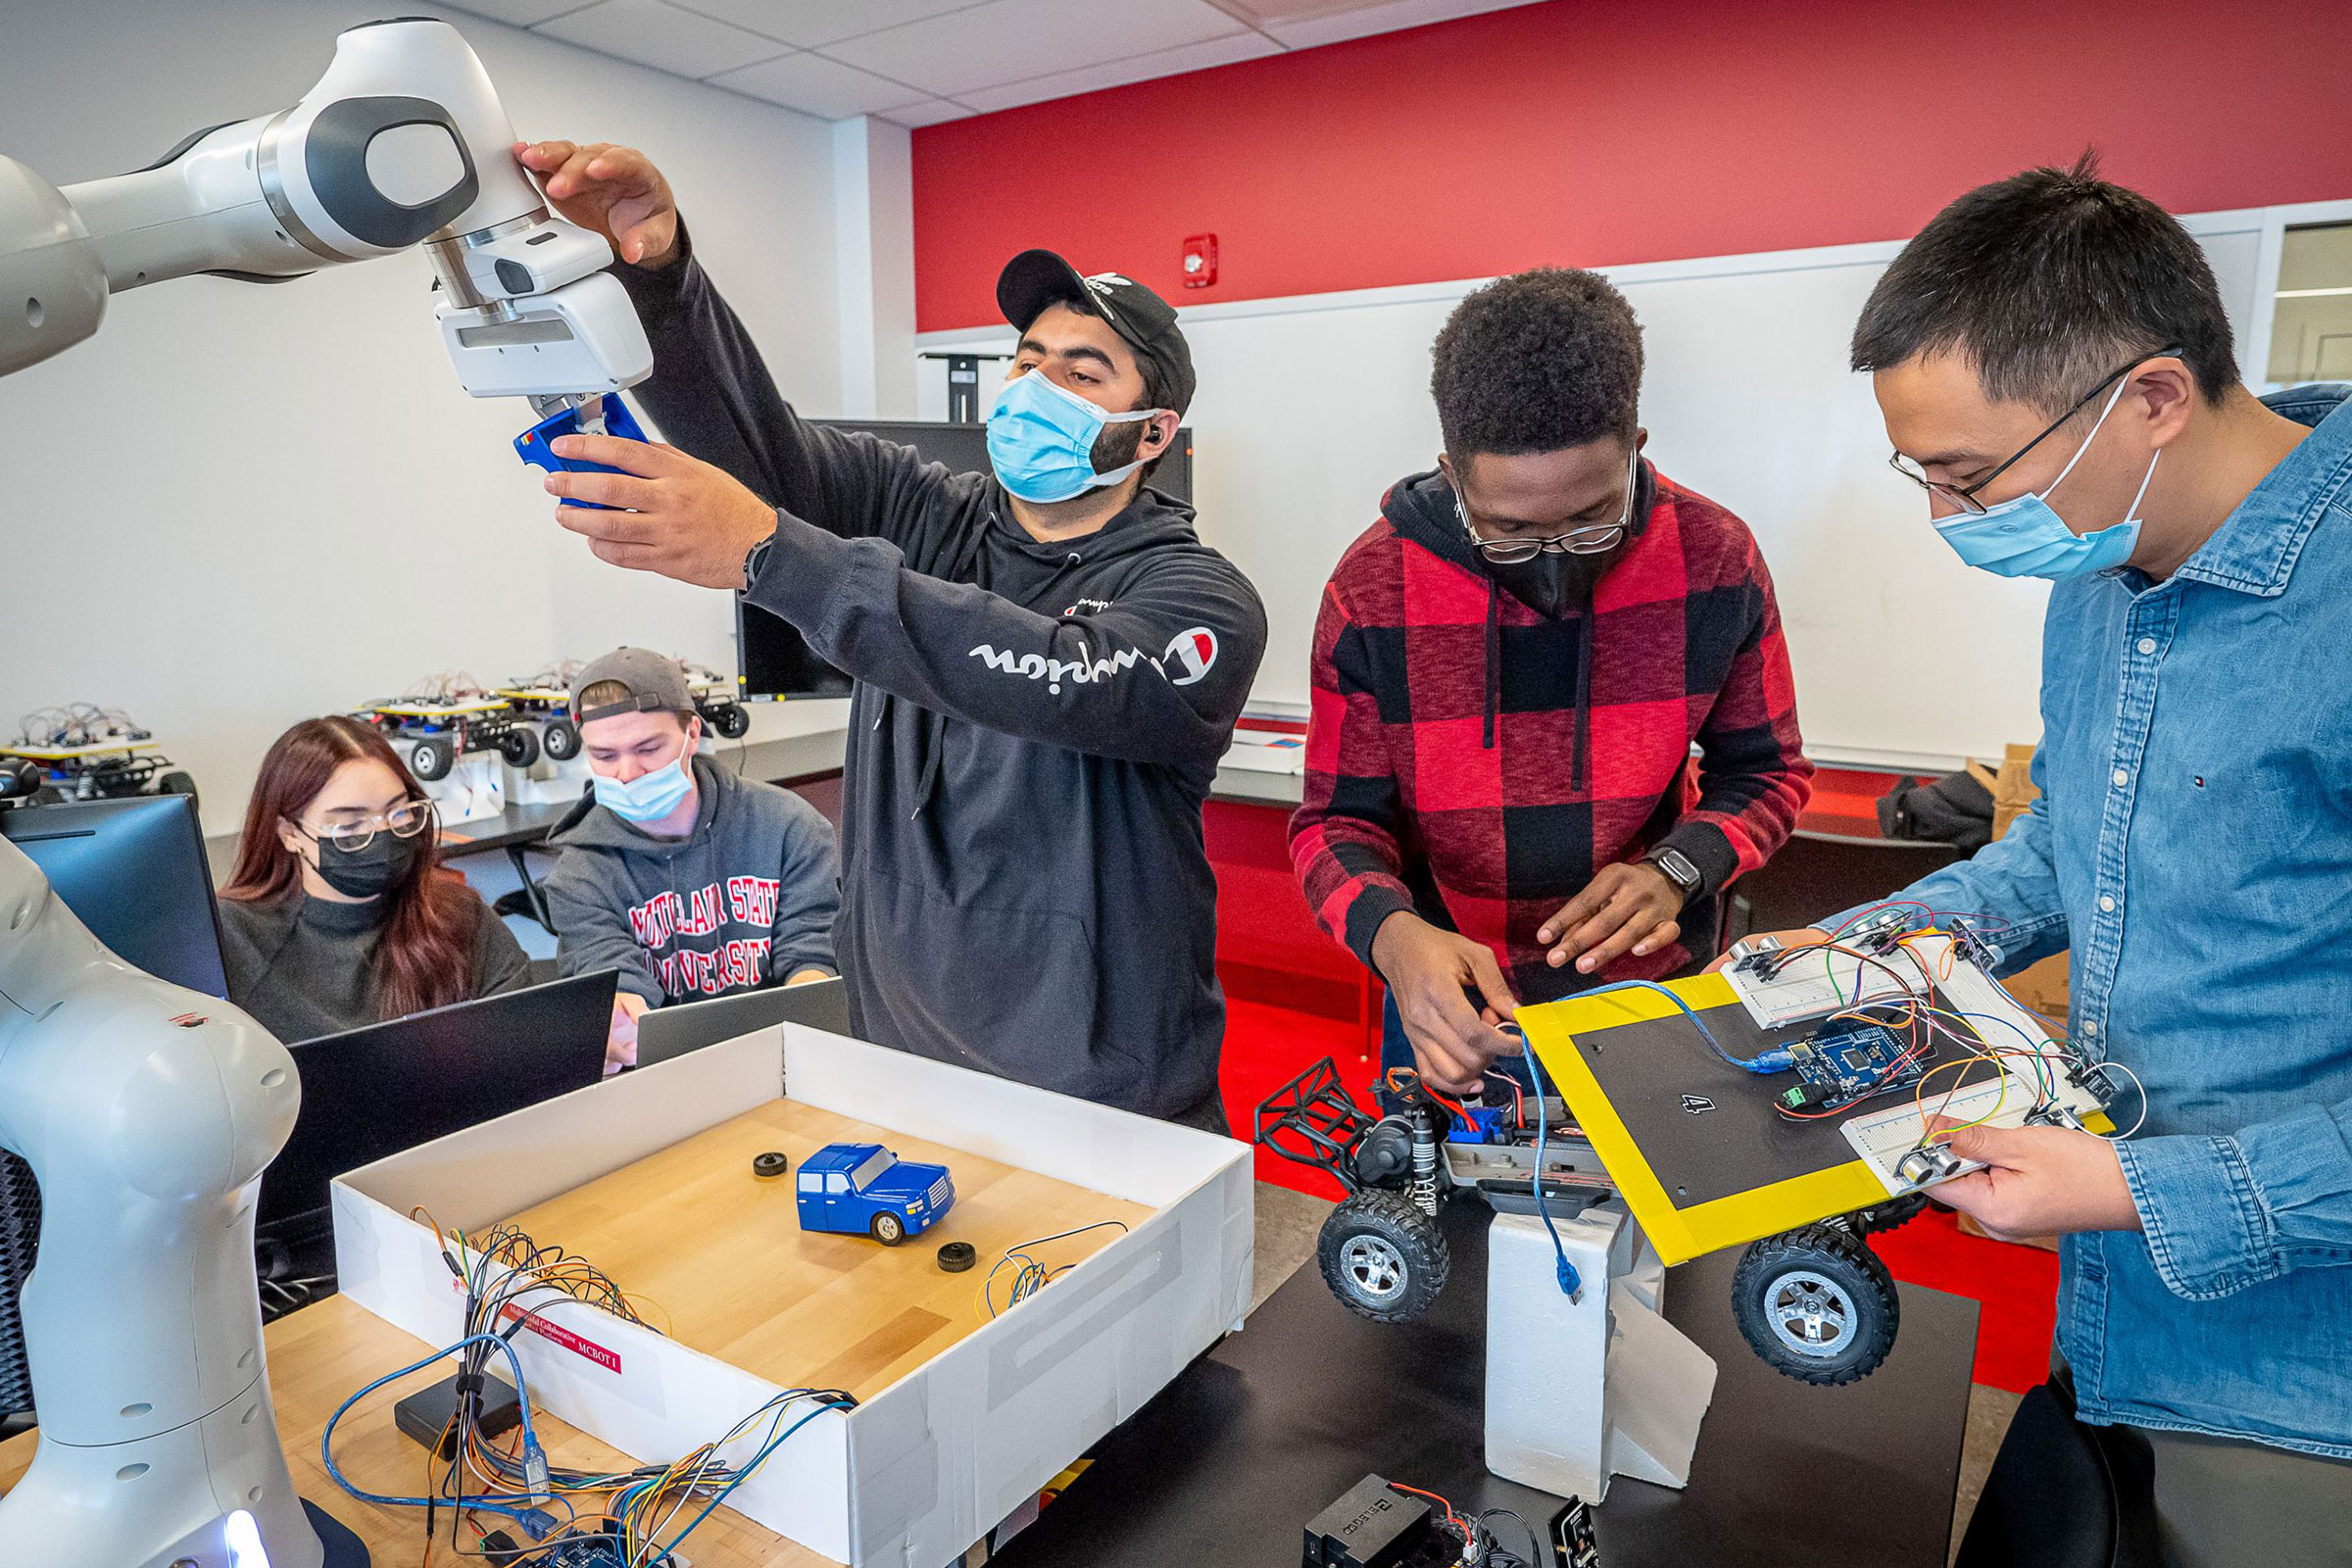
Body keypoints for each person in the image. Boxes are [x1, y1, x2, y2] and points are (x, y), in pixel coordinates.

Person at [1741, 156, 2352, 1560]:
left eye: (1972, 476)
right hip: (2117, 1320)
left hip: (2302, 1384)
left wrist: (2137, 1189)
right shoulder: (2104, 576)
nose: (1952, 524)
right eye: (1926, 478)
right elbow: (2074, 850)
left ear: (2147, 398)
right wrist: (1875, 943)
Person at [509, 139, 1266, 1131]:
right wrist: (661, 281)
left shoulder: (1199, 599)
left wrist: (775, 553)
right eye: (1028, 361)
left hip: (1102, 1099)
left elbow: (1063, 677)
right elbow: (762, 449)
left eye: (1085, 373)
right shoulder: (922, 513)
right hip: (897, 1071)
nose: (1039, 386)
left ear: (1154, 433)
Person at [1290, 268, 1813, 1094]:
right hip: (1452, 996)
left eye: (1589, 518)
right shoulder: (1374, 586)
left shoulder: (1715, 557)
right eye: (1510, 528)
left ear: (1636, 451)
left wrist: (1679, 871)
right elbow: (1334, 825)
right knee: (1447, 1216)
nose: (1556, 558)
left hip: (1655, 991)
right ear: (1452, 472)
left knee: (1656, 1217)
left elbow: (1768, 774)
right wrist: (1394, 938)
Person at [540, 648, 840, 1069]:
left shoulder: (789, 827)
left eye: (648, 748)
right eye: (604, 756)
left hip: (785, 1059)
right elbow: (608, 976)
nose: (627, 773)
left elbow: (813, 955)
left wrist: (809, 1005)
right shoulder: (580, 875)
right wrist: (618, 1022)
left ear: (692, 734)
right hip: (663, 1072)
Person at [217, 715, 531, 1044]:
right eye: (351, 826)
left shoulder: (460, 915)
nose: (381, 837)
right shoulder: (234, 937)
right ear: (290, 834)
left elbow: (524, 1038)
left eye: (398, 813)